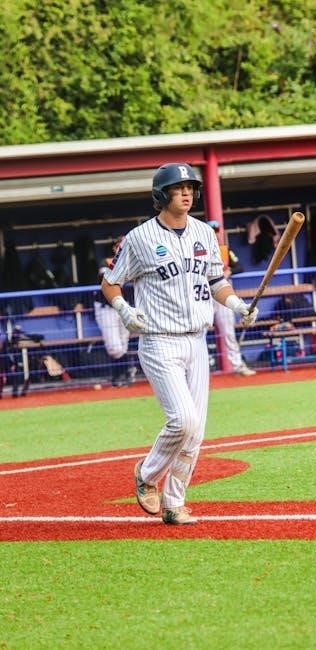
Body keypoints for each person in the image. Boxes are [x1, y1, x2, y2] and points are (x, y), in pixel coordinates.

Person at [101, 162, 258, 525]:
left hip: (197, 341)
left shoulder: (204, 233)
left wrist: (237, 305)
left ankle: (175, 503)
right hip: (159, 341)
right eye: (178, 188)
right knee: (183, 420)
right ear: (162, 194)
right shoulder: (140, 238)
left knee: (195, 432)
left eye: (190, 187)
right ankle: (146, 473)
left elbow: (217, 282)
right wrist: (124, 309)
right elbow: (111, 282)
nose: (187, 193)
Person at [208, 220, 256, 376]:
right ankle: (195, 369)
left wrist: (229, 271)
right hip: (204, 297)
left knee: (228, 332)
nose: (215, 234)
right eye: (212, 231)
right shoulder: (198, 250)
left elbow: (239, 266)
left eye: (217, 231)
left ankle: (238, 365)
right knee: (197, 332)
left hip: (223, 296)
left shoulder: (225, 250)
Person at [94, 237, 136, 387]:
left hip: (125, 305)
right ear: (114, 247)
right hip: (106, 307)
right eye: (119, 245)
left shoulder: (134, 262)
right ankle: (129, 367)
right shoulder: (105, 261)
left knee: (123, 343)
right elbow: (106, 278)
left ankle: (118, 377)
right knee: (114, 347)